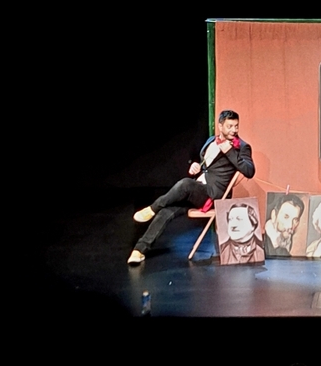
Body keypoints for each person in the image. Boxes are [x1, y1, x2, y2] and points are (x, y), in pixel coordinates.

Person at [127, 110, 255, 264]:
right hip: (198, 191)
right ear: (220, 126)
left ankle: (153, 208)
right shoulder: (211, 140)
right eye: (229, 126)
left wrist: (230, 153)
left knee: (186, 184)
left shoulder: (242, 147)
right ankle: (139, 250)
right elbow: (207, 166)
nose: (233, 130)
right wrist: (197, 166)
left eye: (236, 126)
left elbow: (250, 171)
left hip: (214, 196)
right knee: (167, 211)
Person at [264, 193, 305, 257]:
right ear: (274, 215)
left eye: (295, 220)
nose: (290, 226)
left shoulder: (287, 240)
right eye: (286, 217)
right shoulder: (263, 242)